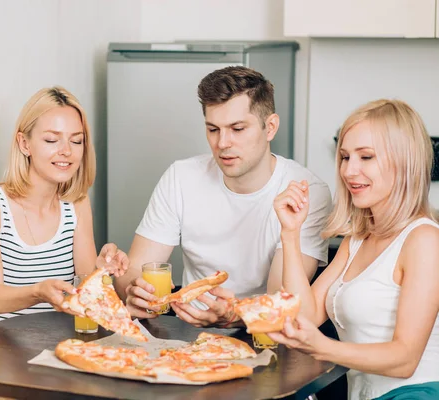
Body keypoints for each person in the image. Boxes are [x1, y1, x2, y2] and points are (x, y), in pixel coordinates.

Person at [115, 66, 332, 328]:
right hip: (189, 331)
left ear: (270, 127)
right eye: (213, 129)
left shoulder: (307, 192)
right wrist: (135, 291)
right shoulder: (181, 177)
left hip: (266, 334)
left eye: (237, 129)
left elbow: (281, 300)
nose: (223, 143)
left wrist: (233, 315)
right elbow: (136, 269)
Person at [269, 99, 439, 400]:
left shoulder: (424, 240)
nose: (349, 170)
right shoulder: (357, 240)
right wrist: (290, 233)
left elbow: (405, 360)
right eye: (345, 157)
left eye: (366, 157)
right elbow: (305, 315)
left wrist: (321, 347)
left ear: (405, 162)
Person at [0, 86, 128, 327]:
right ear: (24, 144)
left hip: (55, 345)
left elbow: (86, 291)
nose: (66, 151)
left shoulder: (76, 205)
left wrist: (102, 270)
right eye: (52, 140)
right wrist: (38, 292)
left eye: (76, 141)